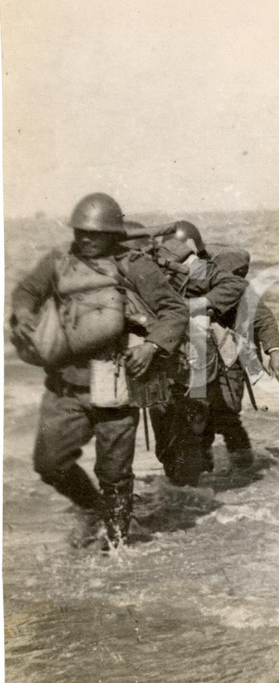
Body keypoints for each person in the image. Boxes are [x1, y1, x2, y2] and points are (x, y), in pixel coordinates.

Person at [8, 193, 188, 547]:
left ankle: (118, 547)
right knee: (49, 464)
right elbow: (27, 291)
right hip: (65, 385)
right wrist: (25, 314)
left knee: (115, 473)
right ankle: (93, 508)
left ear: (112, 234)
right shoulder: (59, 261)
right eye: (81, 232)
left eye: (95, 233)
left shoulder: (134, 264)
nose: (86, 239)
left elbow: (174, 311)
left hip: (116, 383)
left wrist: (152, 347)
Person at [146, 220, 248, 486]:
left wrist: (193, 306)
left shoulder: (190, 267)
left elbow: (234, 287)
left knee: (195, 429)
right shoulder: (141, 267)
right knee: (166, 440)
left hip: (190, 362)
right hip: (157, 362)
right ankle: (187, 487)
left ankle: (195, 489)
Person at [202, 247, 279, 469]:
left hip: (228, 362)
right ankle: (207, 467)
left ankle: (240, 465)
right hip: (204, 361)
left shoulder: (240, 291)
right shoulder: (205, 285)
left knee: (226, 413)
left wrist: (275, 352)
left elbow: (264, 320)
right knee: (204, 415)